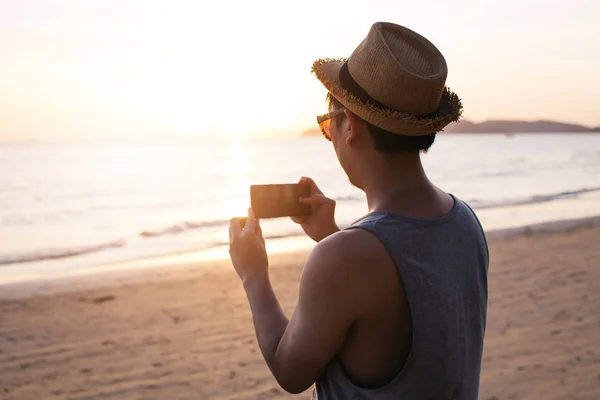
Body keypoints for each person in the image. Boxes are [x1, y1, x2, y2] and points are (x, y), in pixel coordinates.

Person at [229, 22, 489, 399]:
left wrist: (253, 274)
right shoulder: (464, 220)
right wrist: (333, 234)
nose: (330, 137)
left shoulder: (346, 258)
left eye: (327, 124)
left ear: (348, 125)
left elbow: (289, 370)